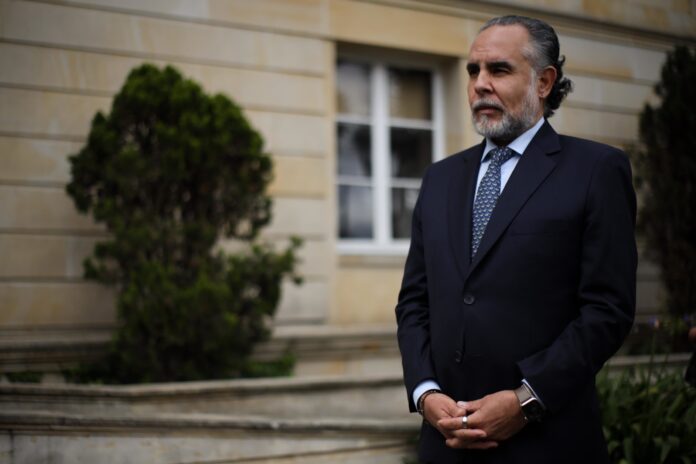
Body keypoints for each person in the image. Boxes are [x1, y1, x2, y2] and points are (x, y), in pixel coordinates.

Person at [395, 15, 637, 464]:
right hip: (445, 444)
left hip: (548, 444)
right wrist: (425, 393)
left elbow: (607, 310)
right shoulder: (439, 179)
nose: (480, 84)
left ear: (544, 82)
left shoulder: (596, 171)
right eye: (473, 70)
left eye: (499, 70)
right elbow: (414, 302)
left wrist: (527, 400)